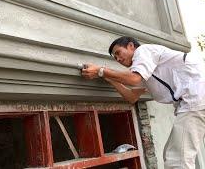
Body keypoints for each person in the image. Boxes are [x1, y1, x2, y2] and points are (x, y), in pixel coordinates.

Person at [81, 36, 205, 169]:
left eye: (118, 53)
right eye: (115, 58)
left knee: (177, 160)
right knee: (171, 154)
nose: (117, 59)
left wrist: (101, 70)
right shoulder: (148, 70)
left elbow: (133, 79)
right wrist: (108, 77)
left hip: (196, 99)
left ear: (131, 46)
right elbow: (132, 96)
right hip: (193, 103)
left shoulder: (143, 51)